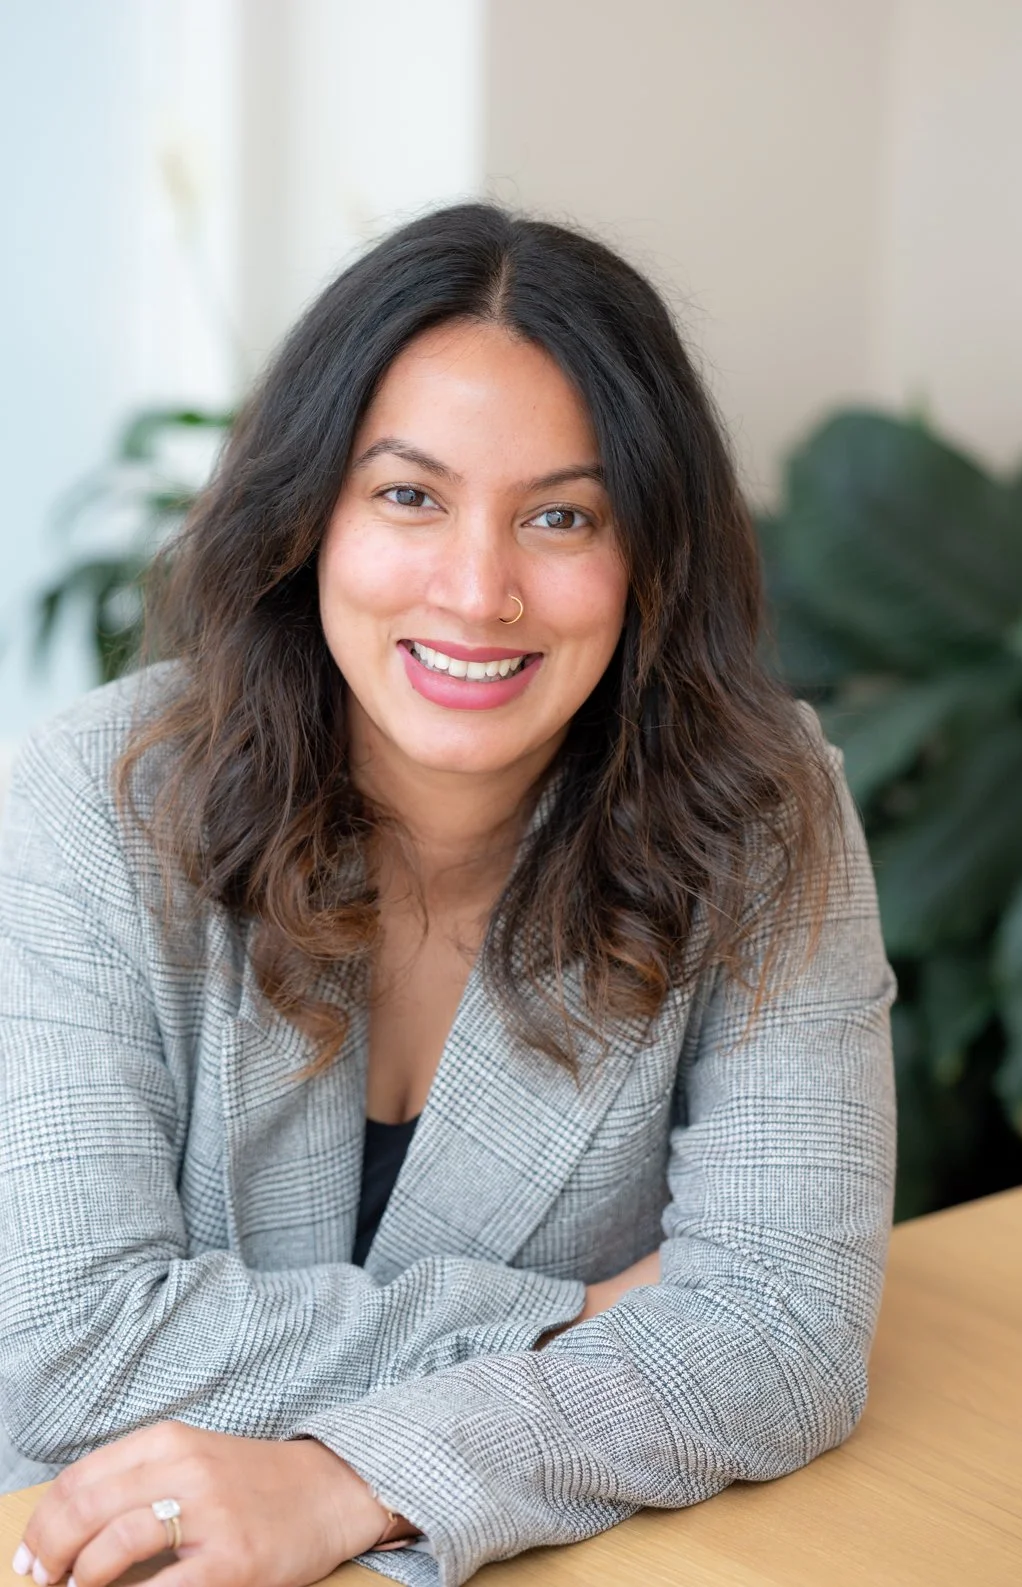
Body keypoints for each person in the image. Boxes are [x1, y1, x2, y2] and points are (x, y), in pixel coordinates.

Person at [0, 202, 897, 1587]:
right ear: (311, 521)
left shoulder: (765, 816)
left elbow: (788, 1331)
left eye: (561, 514)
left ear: (649, 555)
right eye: (408, 495)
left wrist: (352, 1477)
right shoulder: (86, 801)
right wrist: (584, 1315)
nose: (479, 590)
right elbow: (62, 1352)